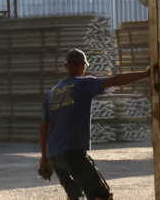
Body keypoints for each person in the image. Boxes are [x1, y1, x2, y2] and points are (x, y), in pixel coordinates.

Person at [38, 48, 151, 200]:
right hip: (72, 152)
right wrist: (145, 74)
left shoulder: (51, 94)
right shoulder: (83, 84)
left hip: (54, 155)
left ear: (66, 66)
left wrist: (44, 159)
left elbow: (44, 129)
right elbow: (113, 80)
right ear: (84, 66)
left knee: (75, 197)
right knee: (101, 196)